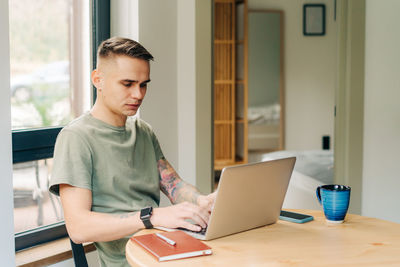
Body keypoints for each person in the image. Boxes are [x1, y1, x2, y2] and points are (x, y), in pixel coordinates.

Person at [49, 37, 216, 267]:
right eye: (127, 84)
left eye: (143, 84)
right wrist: (152, 217)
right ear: (98, 79)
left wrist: (202, 201)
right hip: (132, 261)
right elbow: (78, 228)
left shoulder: (143, 131)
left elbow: (174, 186)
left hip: (167, 248)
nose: (138, 94)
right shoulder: (76, 138)